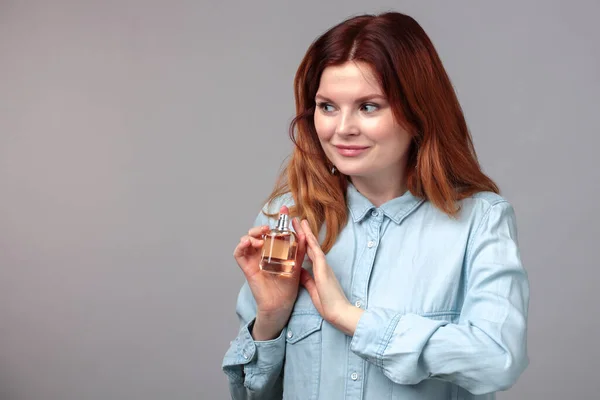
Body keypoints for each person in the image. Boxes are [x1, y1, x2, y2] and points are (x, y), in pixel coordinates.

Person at [222, 11, 529, 400]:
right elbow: (250, 396)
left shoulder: (480, 221)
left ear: (418, 113)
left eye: (369, 106)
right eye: (327, 106)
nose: (342, 128)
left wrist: (352, 319)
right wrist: (271, 318)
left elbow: (497, 361)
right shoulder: (288, 219)